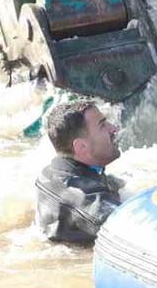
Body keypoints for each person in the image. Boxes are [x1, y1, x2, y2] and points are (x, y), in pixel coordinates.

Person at [35, 100, 123, 245]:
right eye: (102, 125)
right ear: (81, 146)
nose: (114, 129)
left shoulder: (51, 171)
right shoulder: (88, 201)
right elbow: (129, 225)